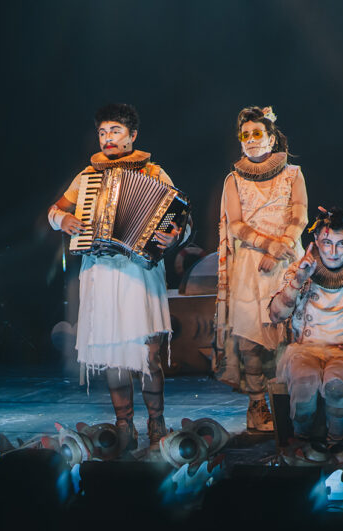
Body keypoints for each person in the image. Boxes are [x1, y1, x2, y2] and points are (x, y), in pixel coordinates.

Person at [48, 103, 185, 450]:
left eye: (116, 132)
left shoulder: (154, 172)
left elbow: (180, 217)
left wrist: (175, 237)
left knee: (147, 354)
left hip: (140, 272)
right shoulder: (86, 177)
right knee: (113, 351)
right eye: (103, 132)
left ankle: (157, 423)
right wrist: (62, 221)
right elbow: (56, 209)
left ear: (132, 136)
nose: (108, 139)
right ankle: (124, 423)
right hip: (102, 272)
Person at [268, 208, 343, 459]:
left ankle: (337, 443)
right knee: (305, 381)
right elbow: (276, 315)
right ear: (315, 242)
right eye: (327, 243)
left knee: (337, 383)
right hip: (305, 349)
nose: (334, 252)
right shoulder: (298, 271)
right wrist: (298, 281)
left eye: (341, 244)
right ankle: (302, 442)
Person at [215, 106, 308, 432]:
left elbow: (300, 217)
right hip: (251, 267)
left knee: (287, 339)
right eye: (246, 135)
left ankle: (290, 406)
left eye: (258, 134)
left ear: (271, 138)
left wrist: (282, 245)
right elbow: (236, 224)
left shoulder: (293, 174)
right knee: (250, 341)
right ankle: (258, 407)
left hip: (286, 264)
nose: (252, 140)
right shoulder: (234, 179)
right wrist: (268, 246)